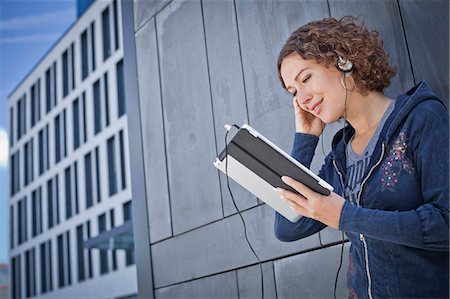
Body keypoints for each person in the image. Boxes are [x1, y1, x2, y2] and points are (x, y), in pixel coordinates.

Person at [273, 16, 449, 298]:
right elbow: (289, 226)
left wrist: (345, 216)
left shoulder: (421, 118)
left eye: (306, 78)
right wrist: (305, 139)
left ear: (342, 59)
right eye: (294, 92)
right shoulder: (341, 157)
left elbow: (446, 223)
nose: (302, 98)